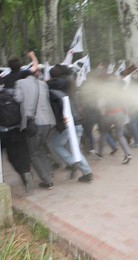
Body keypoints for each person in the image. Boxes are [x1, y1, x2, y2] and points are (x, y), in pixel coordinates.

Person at [47, 64, 93, 182]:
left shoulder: (52, 89)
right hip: (77, 120)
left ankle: (74, 163)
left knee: (57, 145)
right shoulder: (68, 84)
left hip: (69, 122)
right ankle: (86, 172)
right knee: (74, 149)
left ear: (51, 77)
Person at [0, 51, 38, 193]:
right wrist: (33, 56)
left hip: (3, 129)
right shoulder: (24, 76)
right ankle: (25, 173)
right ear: (20, 66)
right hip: (18, 126)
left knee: (10, 155)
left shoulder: (7, 79)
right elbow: (35, 68)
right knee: (21, 153)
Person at [13, 63, 56, 190]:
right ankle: (50, 173)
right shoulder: (43, 83)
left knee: (33, 153)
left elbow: (18, 98)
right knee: (40, 149)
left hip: (33, 123)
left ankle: (47, 181)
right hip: (48, 121)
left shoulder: (20, 83)